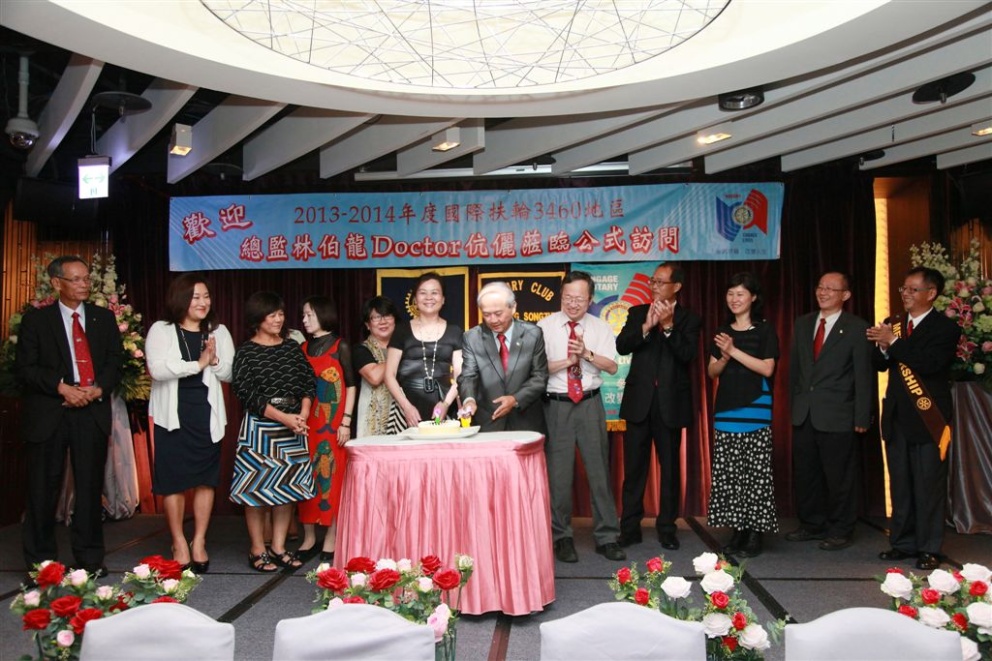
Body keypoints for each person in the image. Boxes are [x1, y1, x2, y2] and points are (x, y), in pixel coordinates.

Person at [15, 255, 123, 578]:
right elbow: (25, 368)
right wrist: (61, 388)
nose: (83, 285)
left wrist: (97, 388)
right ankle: (42, 563)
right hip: (51, 412)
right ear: (56, 283)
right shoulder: (37, 320)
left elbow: (115, 362)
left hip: (90, 411)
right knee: (42, 488)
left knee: (90, 488)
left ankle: (90, 560)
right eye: (75, 279)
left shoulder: (103, 318)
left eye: (86, 279)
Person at [868, 267, 959, 570]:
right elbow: (880, 364)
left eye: (912, 289)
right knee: (901, 484)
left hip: (929, 418)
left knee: (928, 485)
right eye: (903, 289)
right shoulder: (893, 324)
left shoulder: (945, 328)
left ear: (931, 293)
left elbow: (929, 363)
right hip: (897, 417)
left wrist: (893, 343)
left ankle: (929, 547)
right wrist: (883, 347)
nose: (905, 294)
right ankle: (902, 542)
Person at [146, 273, 234, 573]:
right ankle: (178, 541)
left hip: (206, 415)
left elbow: (229, 373)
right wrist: (198, 364)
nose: (203, 302)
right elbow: (157, 369)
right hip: (172, 415)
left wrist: (214, 360)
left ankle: (199, 540)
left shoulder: (218, 331)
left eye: (206, 296)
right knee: (174, 481)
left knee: (205, 480)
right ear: (180, 298)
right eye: (196, 297)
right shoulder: (162, 329)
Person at [538, 271, 625, 563]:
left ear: (589, 300)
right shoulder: (544, 327)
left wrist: (586, 354)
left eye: (579, 298)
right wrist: (567, 361)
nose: (573, 303)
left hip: (589, 404)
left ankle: (607, 537)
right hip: (557, 405)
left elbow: (611, 367)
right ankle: (561, 537)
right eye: (568, 297)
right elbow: (536, 370)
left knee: (599, 472)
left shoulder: (600, 327)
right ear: (561, 297)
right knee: (559, 477)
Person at [616, 263, 701, 551]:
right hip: (639, 403)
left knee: (670, 471)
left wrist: (668, 327)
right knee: (634, 470)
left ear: (676, 286)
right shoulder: (637, 312)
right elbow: (622, 345)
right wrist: (647, 326)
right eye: (653, 281)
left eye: (660, 282)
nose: (654, 286)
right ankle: (629, 528)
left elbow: (687, 355)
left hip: (670, 404)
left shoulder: (689, 319)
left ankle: (667, 528)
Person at [786, 271, 871, 551]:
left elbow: (863, 375)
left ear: (845, 295)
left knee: (839, 477)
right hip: (805, 412)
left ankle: (841, 528)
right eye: (820, 287)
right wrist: (794, 406)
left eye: (831, 289)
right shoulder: (803, 323)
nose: (823, 292)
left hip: (839, 414)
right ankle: (811, 524)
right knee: (806, 473)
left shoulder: (856, 327)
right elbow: (796, 370)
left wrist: (862, 415)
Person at [231, 291, 316, 572]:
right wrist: (284, 418)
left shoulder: (291, 347)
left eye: (280, 314)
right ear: (258, 319)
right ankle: (258, 548)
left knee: (286, 490)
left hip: (293, 425)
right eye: (272, 315)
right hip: (261, 428)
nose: (278, 319)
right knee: (256, 491)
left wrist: (303, 414)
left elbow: (308, 382)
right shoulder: (246, 352)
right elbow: (246, 394)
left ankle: (279, 547)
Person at [706, 272, 779, 558]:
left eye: (740, 294)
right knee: (731, 475)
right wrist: (724, 356)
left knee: (756, 476)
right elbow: (712, 371)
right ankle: (737, 530)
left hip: (756, 409)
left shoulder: (764, 330)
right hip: (726, 410)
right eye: (730, 293)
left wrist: (733, 351)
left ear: (753, 297)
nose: (734, 299)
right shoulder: (722, 331)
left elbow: (767, 368)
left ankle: (755, 534)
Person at [297, 296, 355, 563]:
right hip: (307, 423)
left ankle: (331, 535)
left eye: (309, 314)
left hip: (333, 424)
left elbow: (351, 386)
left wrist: (346, 421)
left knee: (332, 474)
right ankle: (309, 536)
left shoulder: (341, 345)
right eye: (304, 315)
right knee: (306, 474)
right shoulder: (302, 347)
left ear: (322, 314)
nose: (305, 320)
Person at [458, 281, 549, 433]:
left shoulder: (533, 334)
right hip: (488, 422)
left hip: (525, 422)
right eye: (486, 314)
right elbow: (468, 376)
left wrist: (515, 399)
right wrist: (469, 400)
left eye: (498, 313)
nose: (493, 320)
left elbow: (540, 377)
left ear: (513, 307)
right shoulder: (472, 338)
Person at [385, 272, 463, 427]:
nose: (429, 297)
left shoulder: (455, 331)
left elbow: (460, 375)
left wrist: (446, 404)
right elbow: (389, 375)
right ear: (415, 299)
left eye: (434, 292)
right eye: (423, 293)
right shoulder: (401, 331)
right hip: (406, 409)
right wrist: (406, 407)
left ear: (443, 299)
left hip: (443, 406)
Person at [353, 296, 398, 437]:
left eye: (387, 316)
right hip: (372, 423)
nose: (383, 321)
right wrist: (399, 352)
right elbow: (374, 377)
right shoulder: (360, 350)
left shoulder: (407, 347)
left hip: (402, 418)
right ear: (368, 324)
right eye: (376, 317)